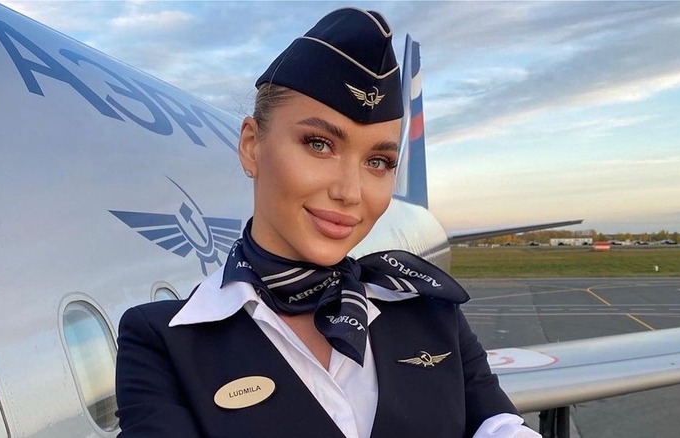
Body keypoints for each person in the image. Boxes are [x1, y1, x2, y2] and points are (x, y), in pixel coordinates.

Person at [115, 8, 541, 438]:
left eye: (378, 161)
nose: (350, 192)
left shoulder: (431, 312)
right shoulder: (162, 344)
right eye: (319, 144)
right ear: (251, 145)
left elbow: (501, 427)